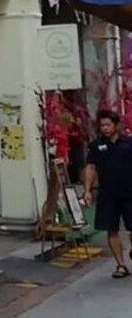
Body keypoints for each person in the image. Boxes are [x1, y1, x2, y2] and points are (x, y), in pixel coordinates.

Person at [84, 110, 132, 278]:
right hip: (107, 194)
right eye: (102, 125)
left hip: (129, 192)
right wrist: (87, 190)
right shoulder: (96, 146)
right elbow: (91, 167)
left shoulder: (128, 143)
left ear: (116, 125)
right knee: (111, 230)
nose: (104, 128)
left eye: (108, 125)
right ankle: (121, 265)